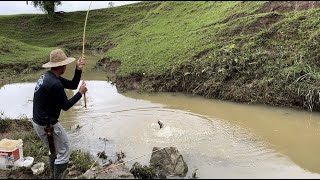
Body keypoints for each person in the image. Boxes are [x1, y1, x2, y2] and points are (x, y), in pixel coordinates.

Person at [32, 49, 87, 179]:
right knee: (65, 150)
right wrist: (81, 93)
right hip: (47, 124)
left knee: (54, 150)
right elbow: (66, 106)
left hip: (39, 122)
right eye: (65, 64)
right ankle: (58, 176)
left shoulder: (49, 76)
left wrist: (78, 69)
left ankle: (53, 175)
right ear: (61, 66)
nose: (66, 66)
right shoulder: (55, 84)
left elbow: (72, 85)